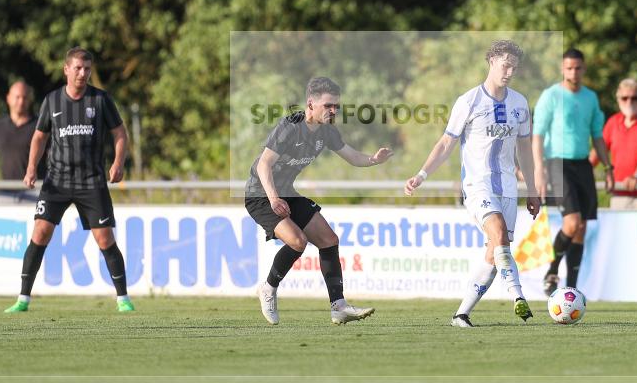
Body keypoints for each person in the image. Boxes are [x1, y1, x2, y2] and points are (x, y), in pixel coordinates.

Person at [405, 40, 539, 328]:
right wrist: (421, 175)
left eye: (514, 67)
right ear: (491, 61)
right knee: (499, 232)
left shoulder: (519, 103)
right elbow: (445, 144)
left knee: (495, 249)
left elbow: (525, 150)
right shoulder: (469, 101)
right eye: (505, 65)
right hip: (477, 185)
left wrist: (533, 189)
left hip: (507, 187)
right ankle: (518, 296)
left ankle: (461, 314)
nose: (509, 72)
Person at [247, 76, 393, 325]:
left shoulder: (327, 132)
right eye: (328, 106)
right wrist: (273, 198)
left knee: (329, 239)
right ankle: (268, 288)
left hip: (287, 194)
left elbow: (352, 157)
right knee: (298, 242)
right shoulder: (290, 126)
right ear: (310, 104)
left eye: (336, 106)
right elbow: (264, 164)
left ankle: (339, 307)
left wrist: (373, 160)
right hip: (261, 196)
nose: (333, 110)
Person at [4, 47, 133, 313]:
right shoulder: (52, 101)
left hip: (91, 181)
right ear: (66, 69)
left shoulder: (100, 100)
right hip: (57, 181)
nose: (83, 73)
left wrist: (118, 162)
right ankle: (22, 299)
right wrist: (31, 169)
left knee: (105, 239)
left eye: (87, 69)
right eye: (78, 68)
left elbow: (120, 133)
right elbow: (39, 137)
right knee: (40, 233)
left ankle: (123, 299)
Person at [532, 48, 613, 298]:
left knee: (581, 228)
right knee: (572, 222)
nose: (573, 72)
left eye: (578, 68)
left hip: (582, 164)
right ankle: (552, 271)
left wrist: (609, 168)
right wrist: (539, 169)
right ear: (562, 68)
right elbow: (538, 134)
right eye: (569, 68)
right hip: (557, 162)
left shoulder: (590, 98)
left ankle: (572, 290)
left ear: (583, 69)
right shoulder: (551, 96)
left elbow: (598, 136)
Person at [599, 78, 637, 209]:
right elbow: (598, 151)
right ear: (618, 99)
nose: (629, 102)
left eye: (635, 98)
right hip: (619, 192)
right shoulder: (613, 122)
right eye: (625, 98)